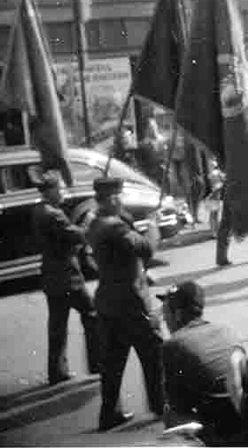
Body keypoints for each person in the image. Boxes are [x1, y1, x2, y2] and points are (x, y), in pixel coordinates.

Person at [86, 177, 164, 431]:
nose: (122, 201)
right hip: (130, 303)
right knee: (154, 354)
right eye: (119, 196)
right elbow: (146, 248)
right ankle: (160, 405)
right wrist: (153, 226)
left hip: (108, 301)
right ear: (111, 199)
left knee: (113, 364)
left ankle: (109, 414)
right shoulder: (114, 227)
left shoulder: (96, 222)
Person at [32, 172, 100, 385]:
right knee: (92, 314)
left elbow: (62, 238)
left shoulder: (38, 210)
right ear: (50, 190)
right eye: (60, 188)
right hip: (68, 276)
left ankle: (57, 370)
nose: (64, 192)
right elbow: (76, 235)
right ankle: (97, 363)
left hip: (52, 275)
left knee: (57, 325)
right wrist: (88, 220)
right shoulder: (54, 214)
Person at [158, 280, 245, 441]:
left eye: (165, 316)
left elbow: (178, 404)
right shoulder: (227, 330)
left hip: (223, 429)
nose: (165, 321)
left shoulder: (173, 345)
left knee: (171, 414)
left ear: (177, 315)